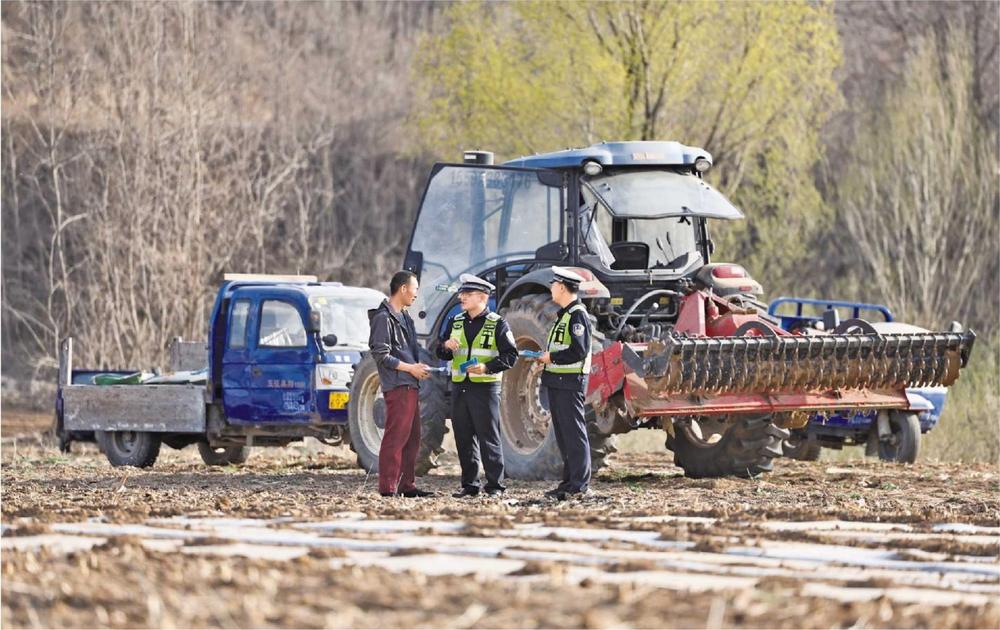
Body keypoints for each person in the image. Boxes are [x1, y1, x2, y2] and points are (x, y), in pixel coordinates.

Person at [436, 274, 518, 497]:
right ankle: (469, 485)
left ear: (482, 297)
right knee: (463, 437)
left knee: (488, 437)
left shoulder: (497, 323)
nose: (462, 297)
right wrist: (446, 345)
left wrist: (486, 367)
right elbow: (439, 350)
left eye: (468, 294)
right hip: (460, 386)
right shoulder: (455, 321)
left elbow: (511, 356)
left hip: (485, 388)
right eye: (462, 293)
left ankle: (495, 486)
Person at [368, 270, 436, 498]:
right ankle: (387, 488)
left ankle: (407, 485)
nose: (416, 294)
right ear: (403, 289)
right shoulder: (382, 318)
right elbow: (381, 355)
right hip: (398, 386)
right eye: (415, 289)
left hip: (410, 384)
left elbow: (406, 353)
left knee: (413, 438)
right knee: (395, 438)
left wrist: (418, 368)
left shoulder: (405, 317)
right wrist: (410, 369)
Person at [535, 267, 593, 500]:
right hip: (559, 381)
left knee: (574, 434)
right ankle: (568, 482)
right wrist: (547, 361)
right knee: (564, 435)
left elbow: (579, 350)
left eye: (553, 285)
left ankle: (579, 484)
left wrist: (552, 358)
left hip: (570, 382)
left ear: (561, 287)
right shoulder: (565, 315)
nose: (551, 289)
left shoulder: (577, 315)